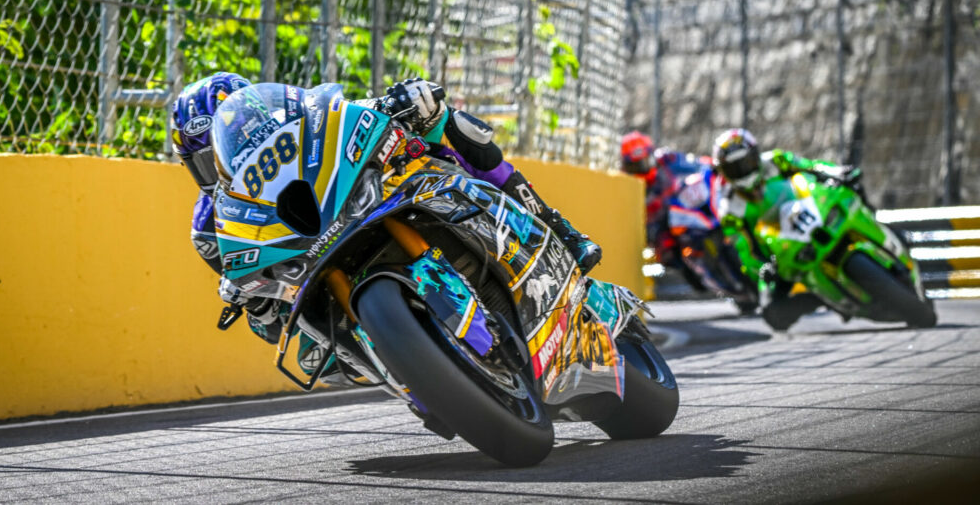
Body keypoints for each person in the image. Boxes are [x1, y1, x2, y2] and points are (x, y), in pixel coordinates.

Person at [172, 74, 603, 347]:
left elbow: (341, 116)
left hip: (363, 203)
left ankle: (554, 224)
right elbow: (262, 313)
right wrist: (253, 297)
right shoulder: (209, 230)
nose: (225, 164)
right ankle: (410, 369)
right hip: (309, 281)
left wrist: (400, 100)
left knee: (445, 119)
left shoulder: (300, 126)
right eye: (207, 160)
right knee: (295, 348)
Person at [711, 127, 863, 331]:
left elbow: (812, 167)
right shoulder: (729, 209)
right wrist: (763, 268)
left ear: (755, 155)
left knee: (854, 189)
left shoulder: (776, 160)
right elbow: (745, 250)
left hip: (813, 213)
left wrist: (837, 172)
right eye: (734, 168)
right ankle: (820, 298)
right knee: (773, 314)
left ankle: (882, 229)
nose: (743, 171)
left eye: (745, 162)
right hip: (781, 252)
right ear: (723, 172)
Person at [620, 130, 709, 290]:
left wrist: (705, 165)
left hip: (682, 208)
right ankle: (689, 268)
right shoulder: (627, 185)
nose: (642, 169)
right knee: (666, 251)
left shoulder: (667, 159)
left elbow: (693, 164)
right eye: (636, 166)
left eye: (645, 162)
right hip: (661, 224)